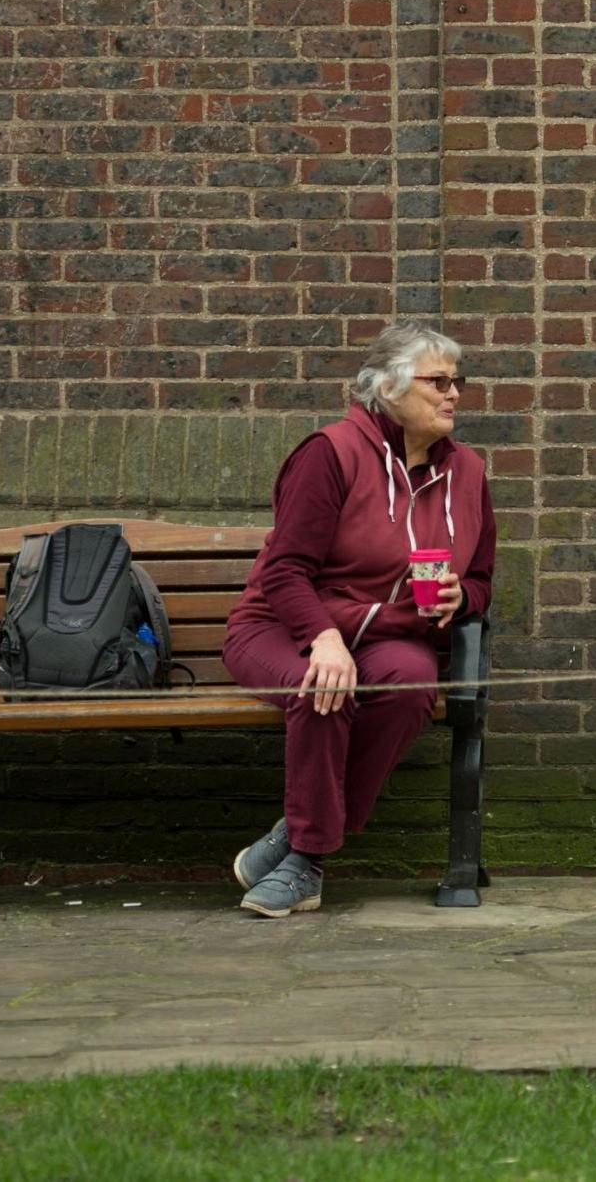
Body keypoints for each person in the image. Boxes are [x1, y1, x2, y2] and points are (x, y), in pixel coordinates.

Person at [220, 320, 496, 917]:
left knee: (409, 684)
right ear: (389, 388)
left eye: (459, 383)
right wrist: (323, 638)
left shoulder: (468, 473)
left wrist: (460, 599)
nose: (453, 395)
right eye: (438, 382)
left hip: (391, 631)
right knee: (325, 686)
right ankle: (308, 862)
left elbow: (482, 580)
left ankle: (293, 842)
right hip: (283, 624)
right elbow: (285, 571)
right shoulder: (331, 454)